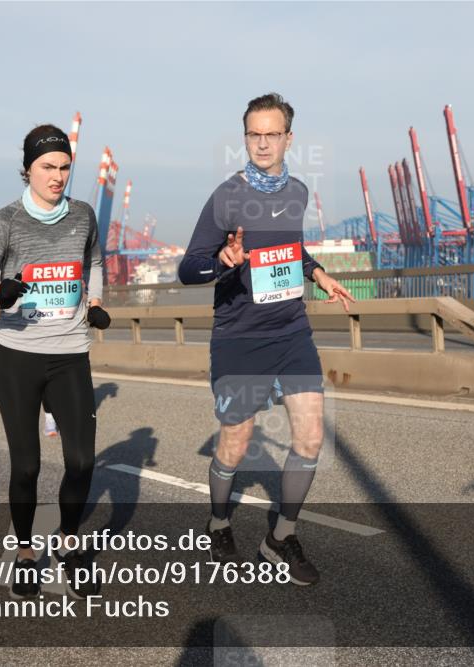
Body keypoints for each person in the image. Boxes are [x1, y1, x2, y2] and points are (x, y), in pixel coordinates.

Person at [178, 93, 354, 586]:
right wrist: (223, 261)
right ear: (245, 138)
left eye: (271, 134)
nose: (262, 143)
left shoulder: (297, 191)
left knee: (311, 435)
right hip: (240, 338)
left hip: (292, 331)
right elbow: (189, 266)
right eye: (253, 134)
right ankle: (218, 522)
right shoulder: (226, 196)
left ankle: (280, 536)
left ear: (288, 139)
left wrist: (316, 272)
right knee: (236, 442)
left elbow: (290, 249)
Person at [0, 123, 111, 601]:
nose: (58, 176)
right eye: (48, 166)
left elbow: (95, 264)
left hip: (70, 355)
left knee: (83, 461)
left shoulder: (84, 215)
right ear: (27, 169)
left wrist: (95, 303)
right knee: (26, 467)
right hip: (18, 358)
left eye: (65, 167)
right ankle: (25, 552)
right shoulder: (5, 222)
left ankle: (67, 544)